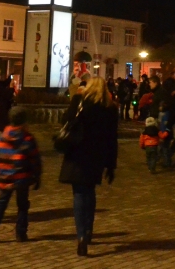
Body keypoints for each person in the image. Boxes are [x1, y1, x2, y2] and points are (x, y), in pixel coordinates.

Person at [59, 77, 118, 257]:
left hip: (77, 152)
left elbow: (65, 120)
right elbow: (112, 139)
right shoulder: (109, 109)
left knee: (78, 194)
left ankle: (81, 235)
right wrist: (111, 164)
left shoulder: (80, 102)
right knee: (90, 192)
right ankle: (89, 230)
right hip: (96, 155)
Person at [0, 106, 41, 244]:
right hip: (22, 177)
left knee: (1, 204)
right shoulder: (27, 138)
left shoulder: (1, 137)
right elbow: (35, 159)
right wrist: (36, 175)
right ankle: (21, 233)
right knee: (22, 205)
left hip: (5, 176)